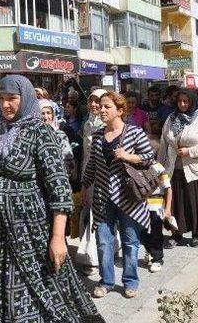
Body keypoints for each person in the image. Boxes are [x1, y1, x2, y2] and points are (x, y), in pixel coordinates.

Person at [0, 75, 104, 322]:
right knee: (7, 290)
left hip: (30, 232)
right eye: (1, 99)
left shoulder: (41, 133)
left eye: (12, 99)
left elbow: (59, 189)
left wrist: (58, 239)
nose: (5, 105)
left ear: (25, 100)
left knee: (46, 290)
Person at [82, 92, 154, 299]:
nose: (102, 110)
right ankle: (106, 282)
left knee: (130, 241)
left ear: (120, 111)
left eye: (107, 107)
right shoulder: (97, 135)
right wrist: (85, 189)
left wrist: (127, 156)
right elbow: (92, 165)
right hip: (103, 196)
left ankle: (130, 281)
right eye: (101, 106)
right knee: (104, 241)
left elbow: (149, 158)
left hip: (128, 197)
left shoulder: (135, 133)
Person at [158, 89, 198, 248]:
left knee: (194, 202)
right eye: (179, 101)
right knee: (175, 202)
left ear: (191, 101)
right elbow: (164, 144)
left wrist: (190, 151)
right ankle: (176, 234)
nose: (182, 104)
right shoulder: (171, 119)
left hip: (195, 170)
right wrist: (159, 168)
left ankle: (196, 234)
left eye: (186, 101)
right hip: (174, 169)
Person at [76, 89, 106, 275]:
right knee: (87, 212)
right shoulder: (88, 123)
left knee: (99, 215)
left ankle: (94, 258)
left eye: (98, 102)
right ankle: (88, 254)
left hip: (103, 175)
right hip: (87, 174)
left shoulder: (108, 124)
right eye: (92, 101)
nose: (94, 105)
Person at [40, 99, 75, 184]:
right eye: (42, 113)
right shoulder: (33, 135)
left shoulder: (60, 135)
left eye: (48, 113)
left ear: (53, 114)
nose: (45, 117)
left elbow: (69, 160)